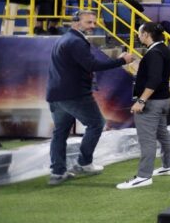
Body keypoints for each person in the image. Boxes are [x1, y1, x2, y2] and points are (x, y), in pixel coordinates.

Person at [46, 10, 134, 186]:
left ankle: (57, 173)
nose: (93, 26)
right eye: (88, 23)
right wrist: (122, 61)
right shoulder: (76, 42)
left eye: (94, 22)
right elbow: (92, 65)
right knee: (96, 124)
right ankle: (83, 163)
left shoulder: (64, 39)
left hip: (56, 95)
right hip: (75, 95)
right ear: (76, 23)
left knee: (60, 133)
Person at [118, 22, 170, 189]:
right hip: (163, 100)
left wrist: (141, 101)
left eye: (139, 33)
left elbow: (154, 79)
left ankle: (144, 176)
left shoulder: (155, 53)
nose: (138, 35)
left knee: (147, 140)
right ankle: (169, 165)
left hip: (152, 102)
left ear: (147, 35)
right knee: (162, 134)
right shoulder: (162, 49)